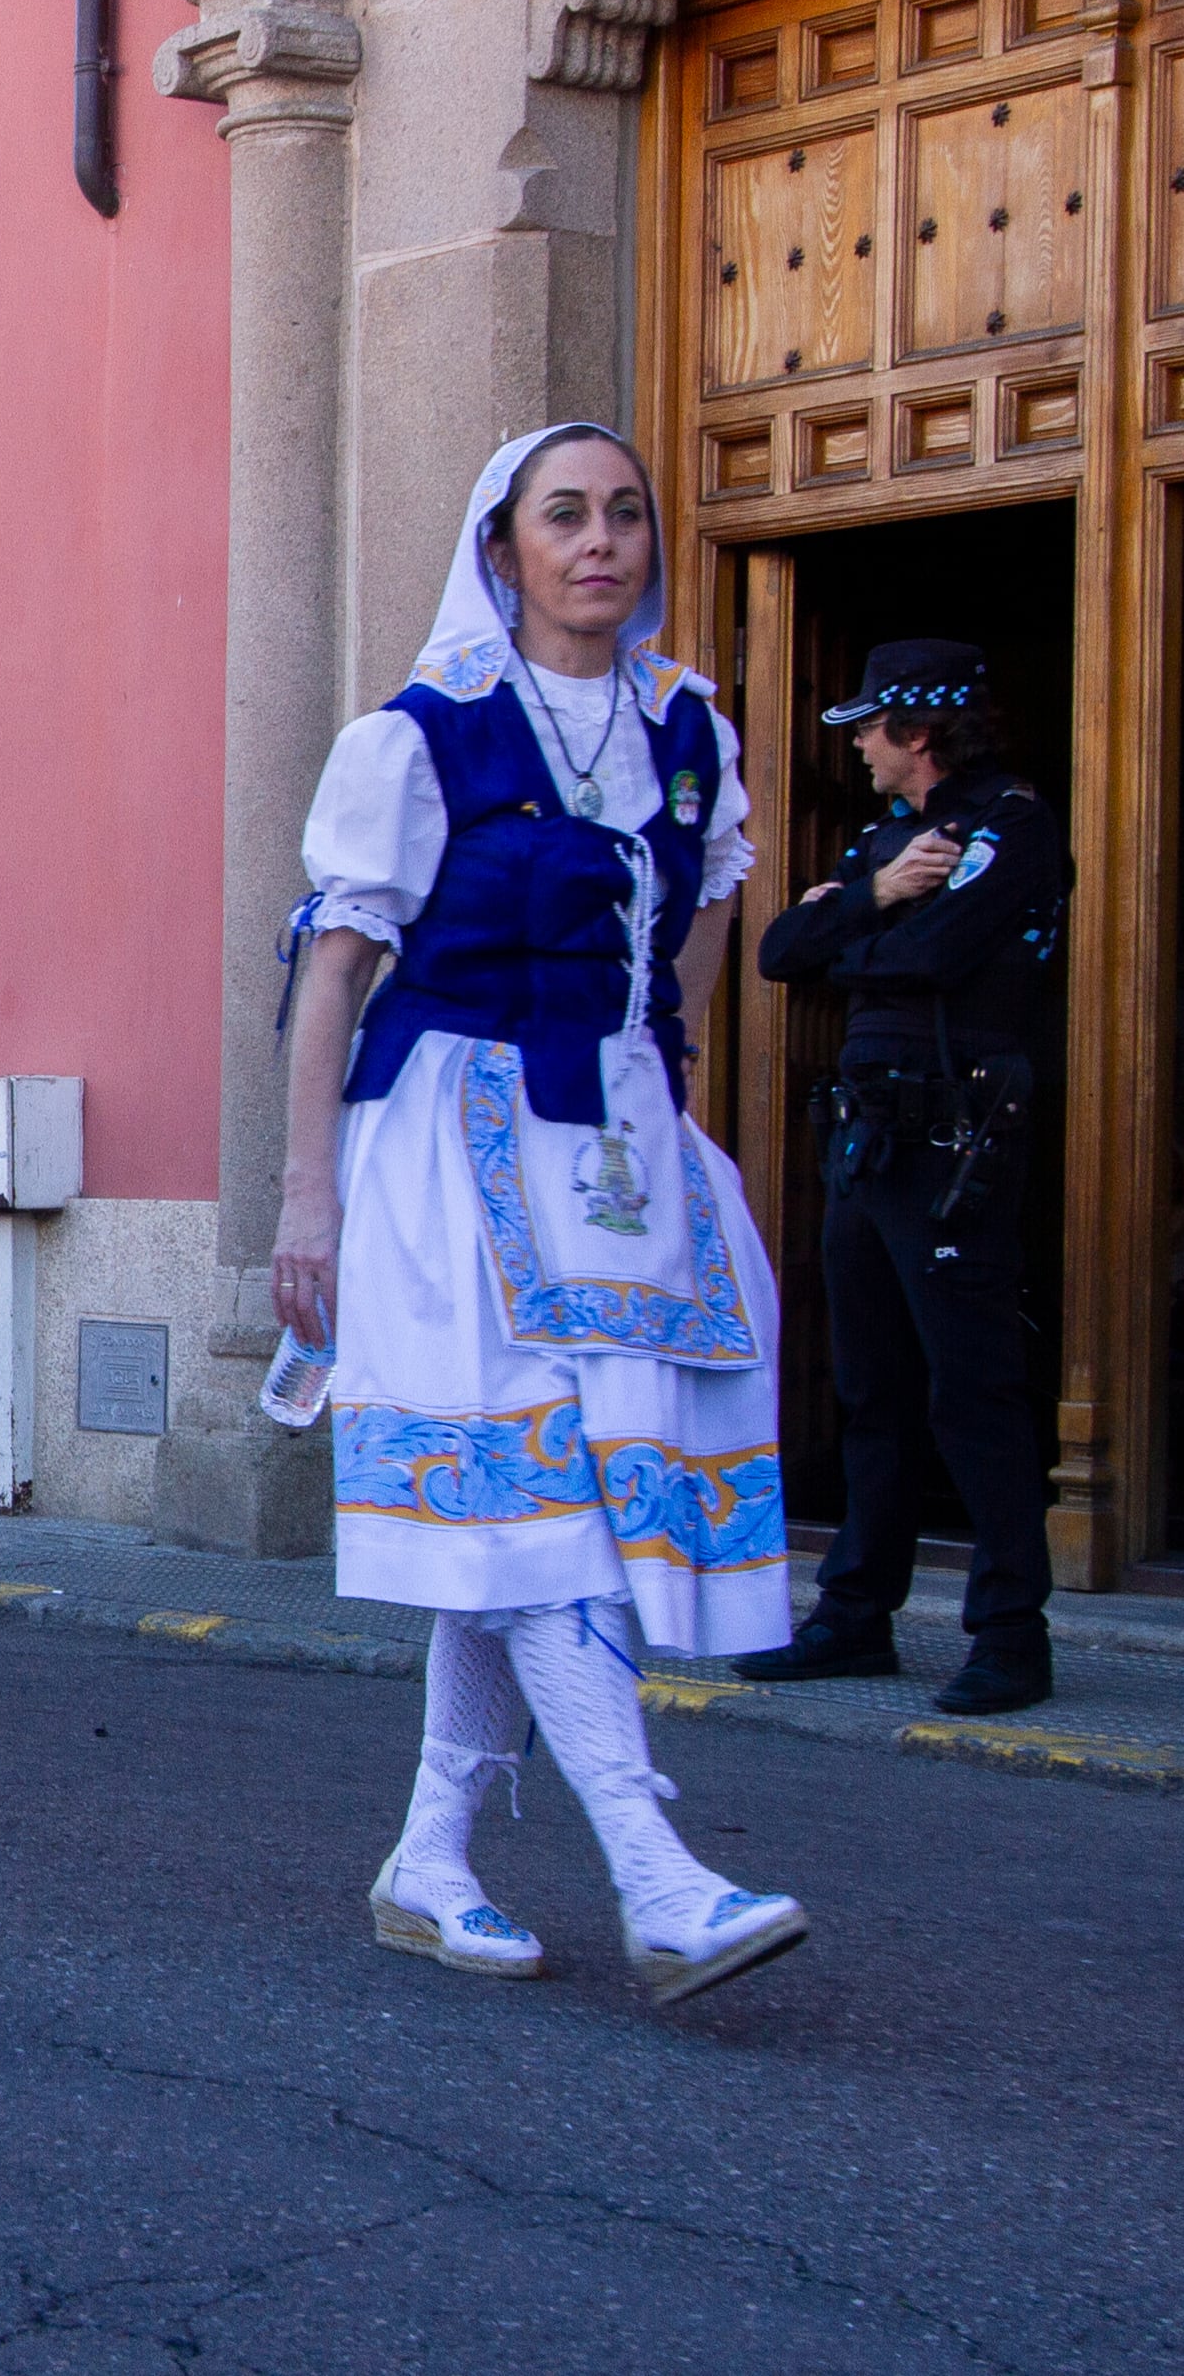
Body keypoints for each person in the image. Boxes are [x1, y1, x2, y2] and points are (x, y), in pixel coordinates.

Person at [276, 421, 807, 2008]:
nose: (600, 542)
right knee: (534, 1506)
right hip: (444, 1138)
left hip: (616, 1148)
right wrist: (307, 1191)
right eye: (561, 516)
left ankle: (429, 1858)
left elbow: (704, 916)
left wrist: (663, 1070)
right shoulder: (419, 732)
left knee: (514, 1523)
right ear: (497, 548)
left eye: (624, 515)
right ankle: (654, 1870)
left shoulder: (685, 726)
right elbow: (334, 969)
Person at [740, 640, 1068, 1716]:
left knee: (971, 1386)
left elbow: (933, 955)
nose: (860, 748)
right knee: (868, 1384)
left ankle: (1011, 1634)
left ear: (918, 731)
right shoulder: (889, 840)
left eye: (871, 728)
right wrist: (878, 893)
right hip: (866, 1136)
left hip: (954, 1133)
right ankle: (852, 1616)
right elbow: (782, 951)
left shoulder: (1009, 823)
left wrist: (860, 926)